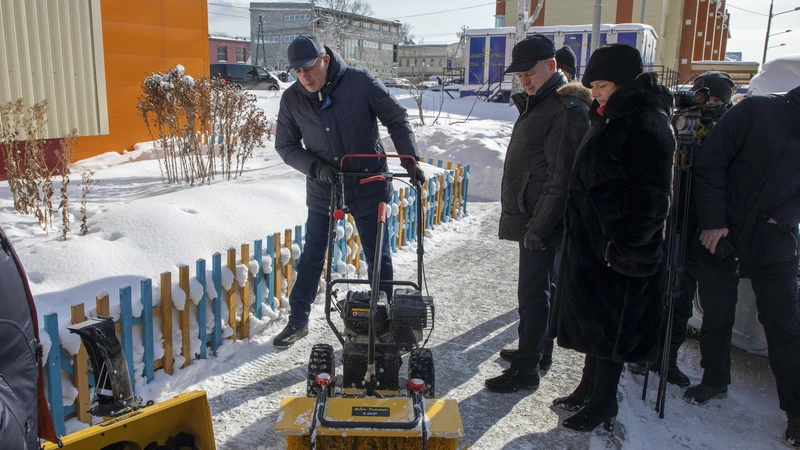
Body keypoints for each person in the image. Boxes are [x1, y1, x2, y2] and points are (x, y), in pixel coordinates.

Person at [548, 43, 676, 431]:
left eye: (602, 84)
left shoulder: (647, 122)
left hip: (620, 247)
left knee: (614, 330)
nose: (596, 92)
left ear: (623, 82)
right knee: (596, 326)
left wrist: (627, 248)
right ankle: (588, 387)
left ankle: (604, 402)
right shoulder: (609, 116)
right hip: (595, 244)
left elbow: (653, 197)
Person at [272, 35, 424, 349]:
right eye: (297, 72)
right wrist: (316, 167)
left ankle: (384, 320)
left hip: (368, 183)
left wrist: (409, 160)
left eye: (310, 68)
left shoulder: (360, 82)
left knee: (377, 254)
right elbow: (285, 146)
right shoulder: (292, 100)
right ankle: (298, 320)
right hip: (324, 189)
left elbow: (396, 118)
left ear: (325, 59)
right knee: (313, 254)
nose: (305, 77)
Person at [685, 84, 800, 447]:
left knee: (784, 325)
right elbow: (710, 163)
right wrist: (714, 221)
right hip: (723, 232)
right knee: (718, 312)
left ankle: (796, 412)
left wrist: (780, 220)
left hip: (775, 242)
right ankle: (715, 379)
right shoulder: (756, 110)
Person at [485, 34, 591, 393]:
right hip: (535, 216)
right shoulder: (541, 103)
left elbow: (560, 178)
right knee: (540, 290)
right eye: (520, 76)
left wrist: (538, 226)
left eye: (530, 73)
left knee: (533, 293)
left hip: (542, 219)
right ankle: (535, 351)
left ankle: (527, 368)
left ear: (552, 65)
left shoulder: (562, 109)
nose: (525, 81)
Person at [628, 71, 736, 387]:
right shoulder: (676, 125)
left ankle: (671, 360)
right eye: (708, 98)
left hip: (705, 228)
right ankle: (647, 353)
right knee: (661, 292)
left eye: (719, 101)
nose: (711, 106)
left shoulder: (729, 134)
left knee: (687, 297)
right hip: (672, 220)